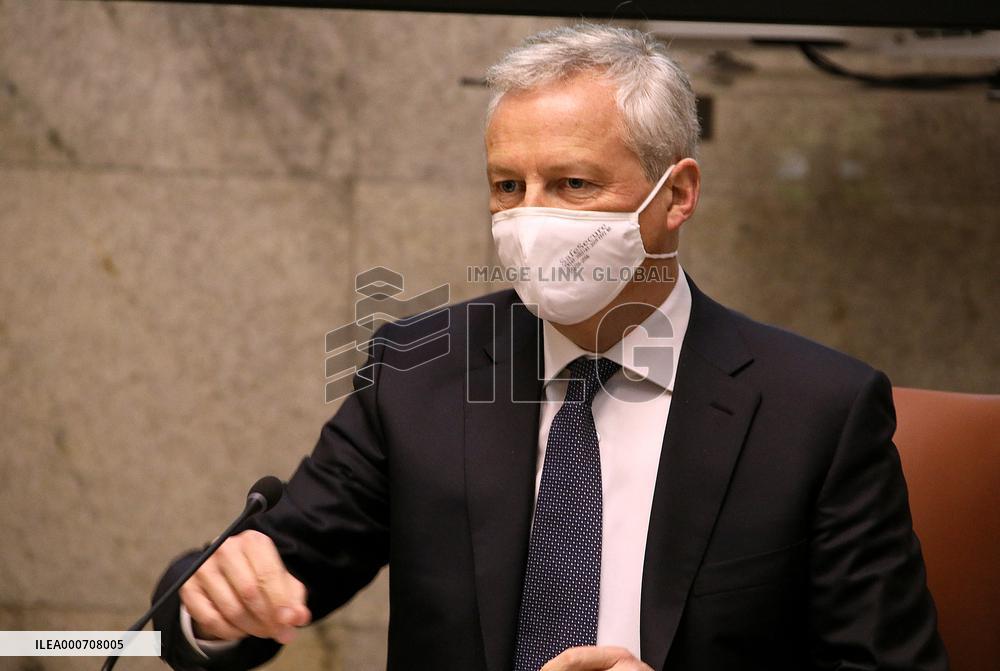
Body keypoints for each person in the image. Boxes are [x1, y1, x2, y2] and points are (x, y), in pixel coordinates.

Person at [151, 24, 947, 671]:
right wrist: (215, 604)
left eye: (571, 184)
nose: (530, 219)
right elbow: (263, 578)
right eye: (508, 187)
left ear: (676, 194)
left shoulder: (817, 410)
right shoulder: (420, 372)